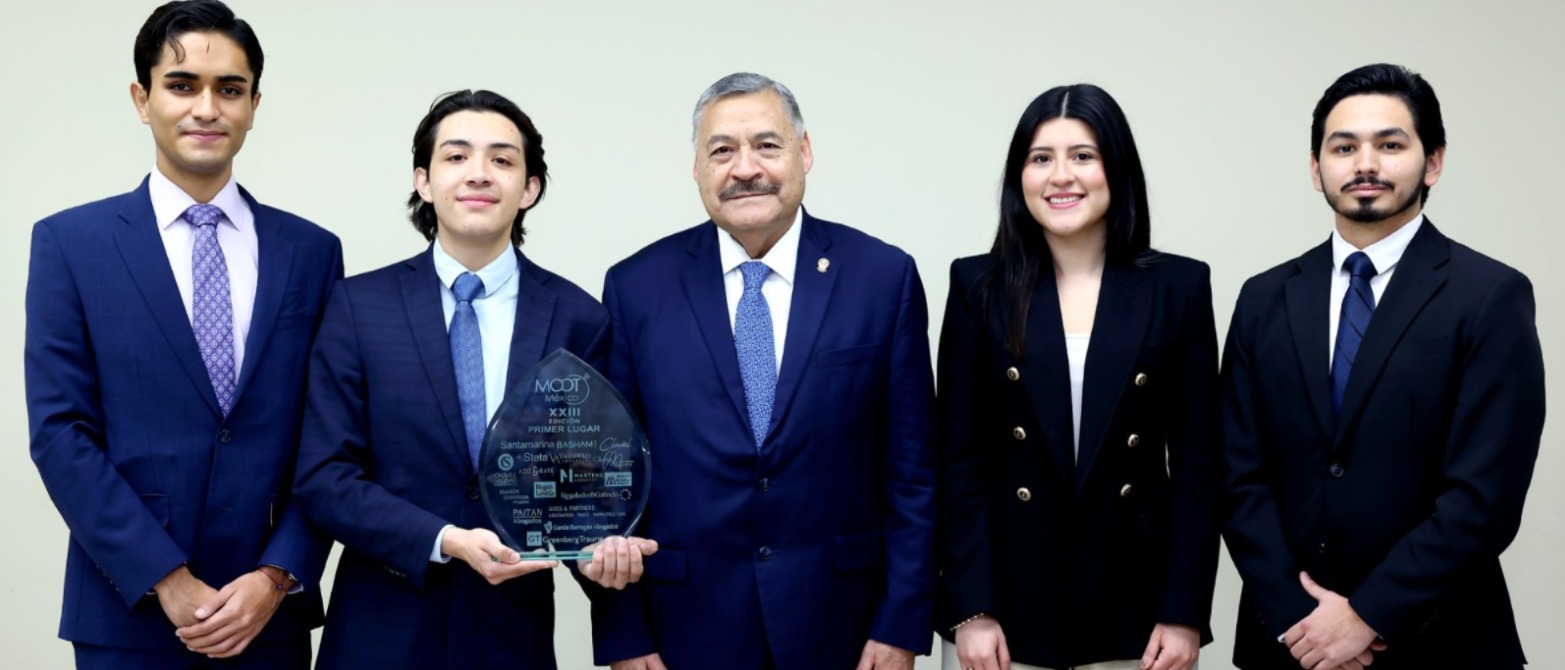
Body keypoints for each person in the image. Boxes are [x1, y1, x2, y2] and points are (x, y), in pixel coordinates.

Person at [24, 1, 343, 667]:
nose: (206, 108)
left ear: (254, 105)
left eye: (229, 89)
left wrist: (277, 575)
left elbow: (329, 437)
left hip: (268, 619)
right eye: (181, 85)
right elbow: (60, 434)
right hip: (127, 612)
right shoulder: (70, 244)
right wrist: (164, 577)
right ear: (142, 100)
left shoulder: (311, 253)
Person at [588, 72, 936, 670]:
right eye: (722, 150)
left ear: (804, 152)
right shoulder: (635, 287)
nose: (745, 168)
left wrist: (901, 627)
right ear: (696, 168)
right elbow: (608, 481)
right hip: (683, 630)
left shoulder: (883, 277)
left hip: (845, 628)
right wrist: (626, 638)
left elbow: (913, 474)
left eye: (767, 146)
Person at [292, 89, 650, 669]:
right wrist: (445, 539)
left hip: (511, 634)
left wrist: (598, 550)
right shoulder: (357, 306)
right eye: (456, 156)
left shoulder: (578, 319)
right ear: (424, 181)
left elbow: (589, 484)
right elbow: (325, 476)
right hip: (379, 633)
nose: (479, 173)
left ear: (530, 188)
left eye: (502, 160)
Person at [1221, 63, 1545, 670]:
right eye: (1344, 147)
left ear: (1433, 162)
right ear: (1316, 168)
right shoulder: (1264, 298)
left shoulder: (1489, 295)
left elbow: (1485, 496)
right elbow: (1237, 475)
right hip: (1290, 646)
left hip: (1442, 643)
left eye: (1390, 145)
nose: (1365, 164)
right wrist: (1300, 619)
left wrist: (1367, 616)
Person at [935, 84, 1220, 670]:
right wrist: (972, 608)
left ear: (1117, 168)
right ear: (1020, 176)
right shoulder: (977, 286)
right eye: (1041, 158)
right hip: (1002, 612)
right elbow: (957, 461)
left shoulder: (1178, 286)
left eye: (1083, 156)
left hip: (1136, 609)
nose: (1060, 176)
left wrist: (1184, 611)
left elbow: (1200, 466)